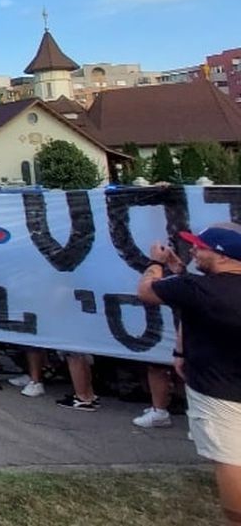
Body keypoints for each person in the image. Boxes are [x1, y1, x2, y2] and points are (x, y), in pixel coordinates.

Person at [139, 222, 241, 524]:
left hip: (219, 390)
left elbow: (146, 291)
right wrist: (180, 352)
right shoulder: (201, 289)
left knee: (230, 460)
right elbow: (197, 306)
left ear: (222, 255)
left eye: (201, 247)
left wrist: (156, 263)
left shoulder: (197, 289)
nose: (194, 250)